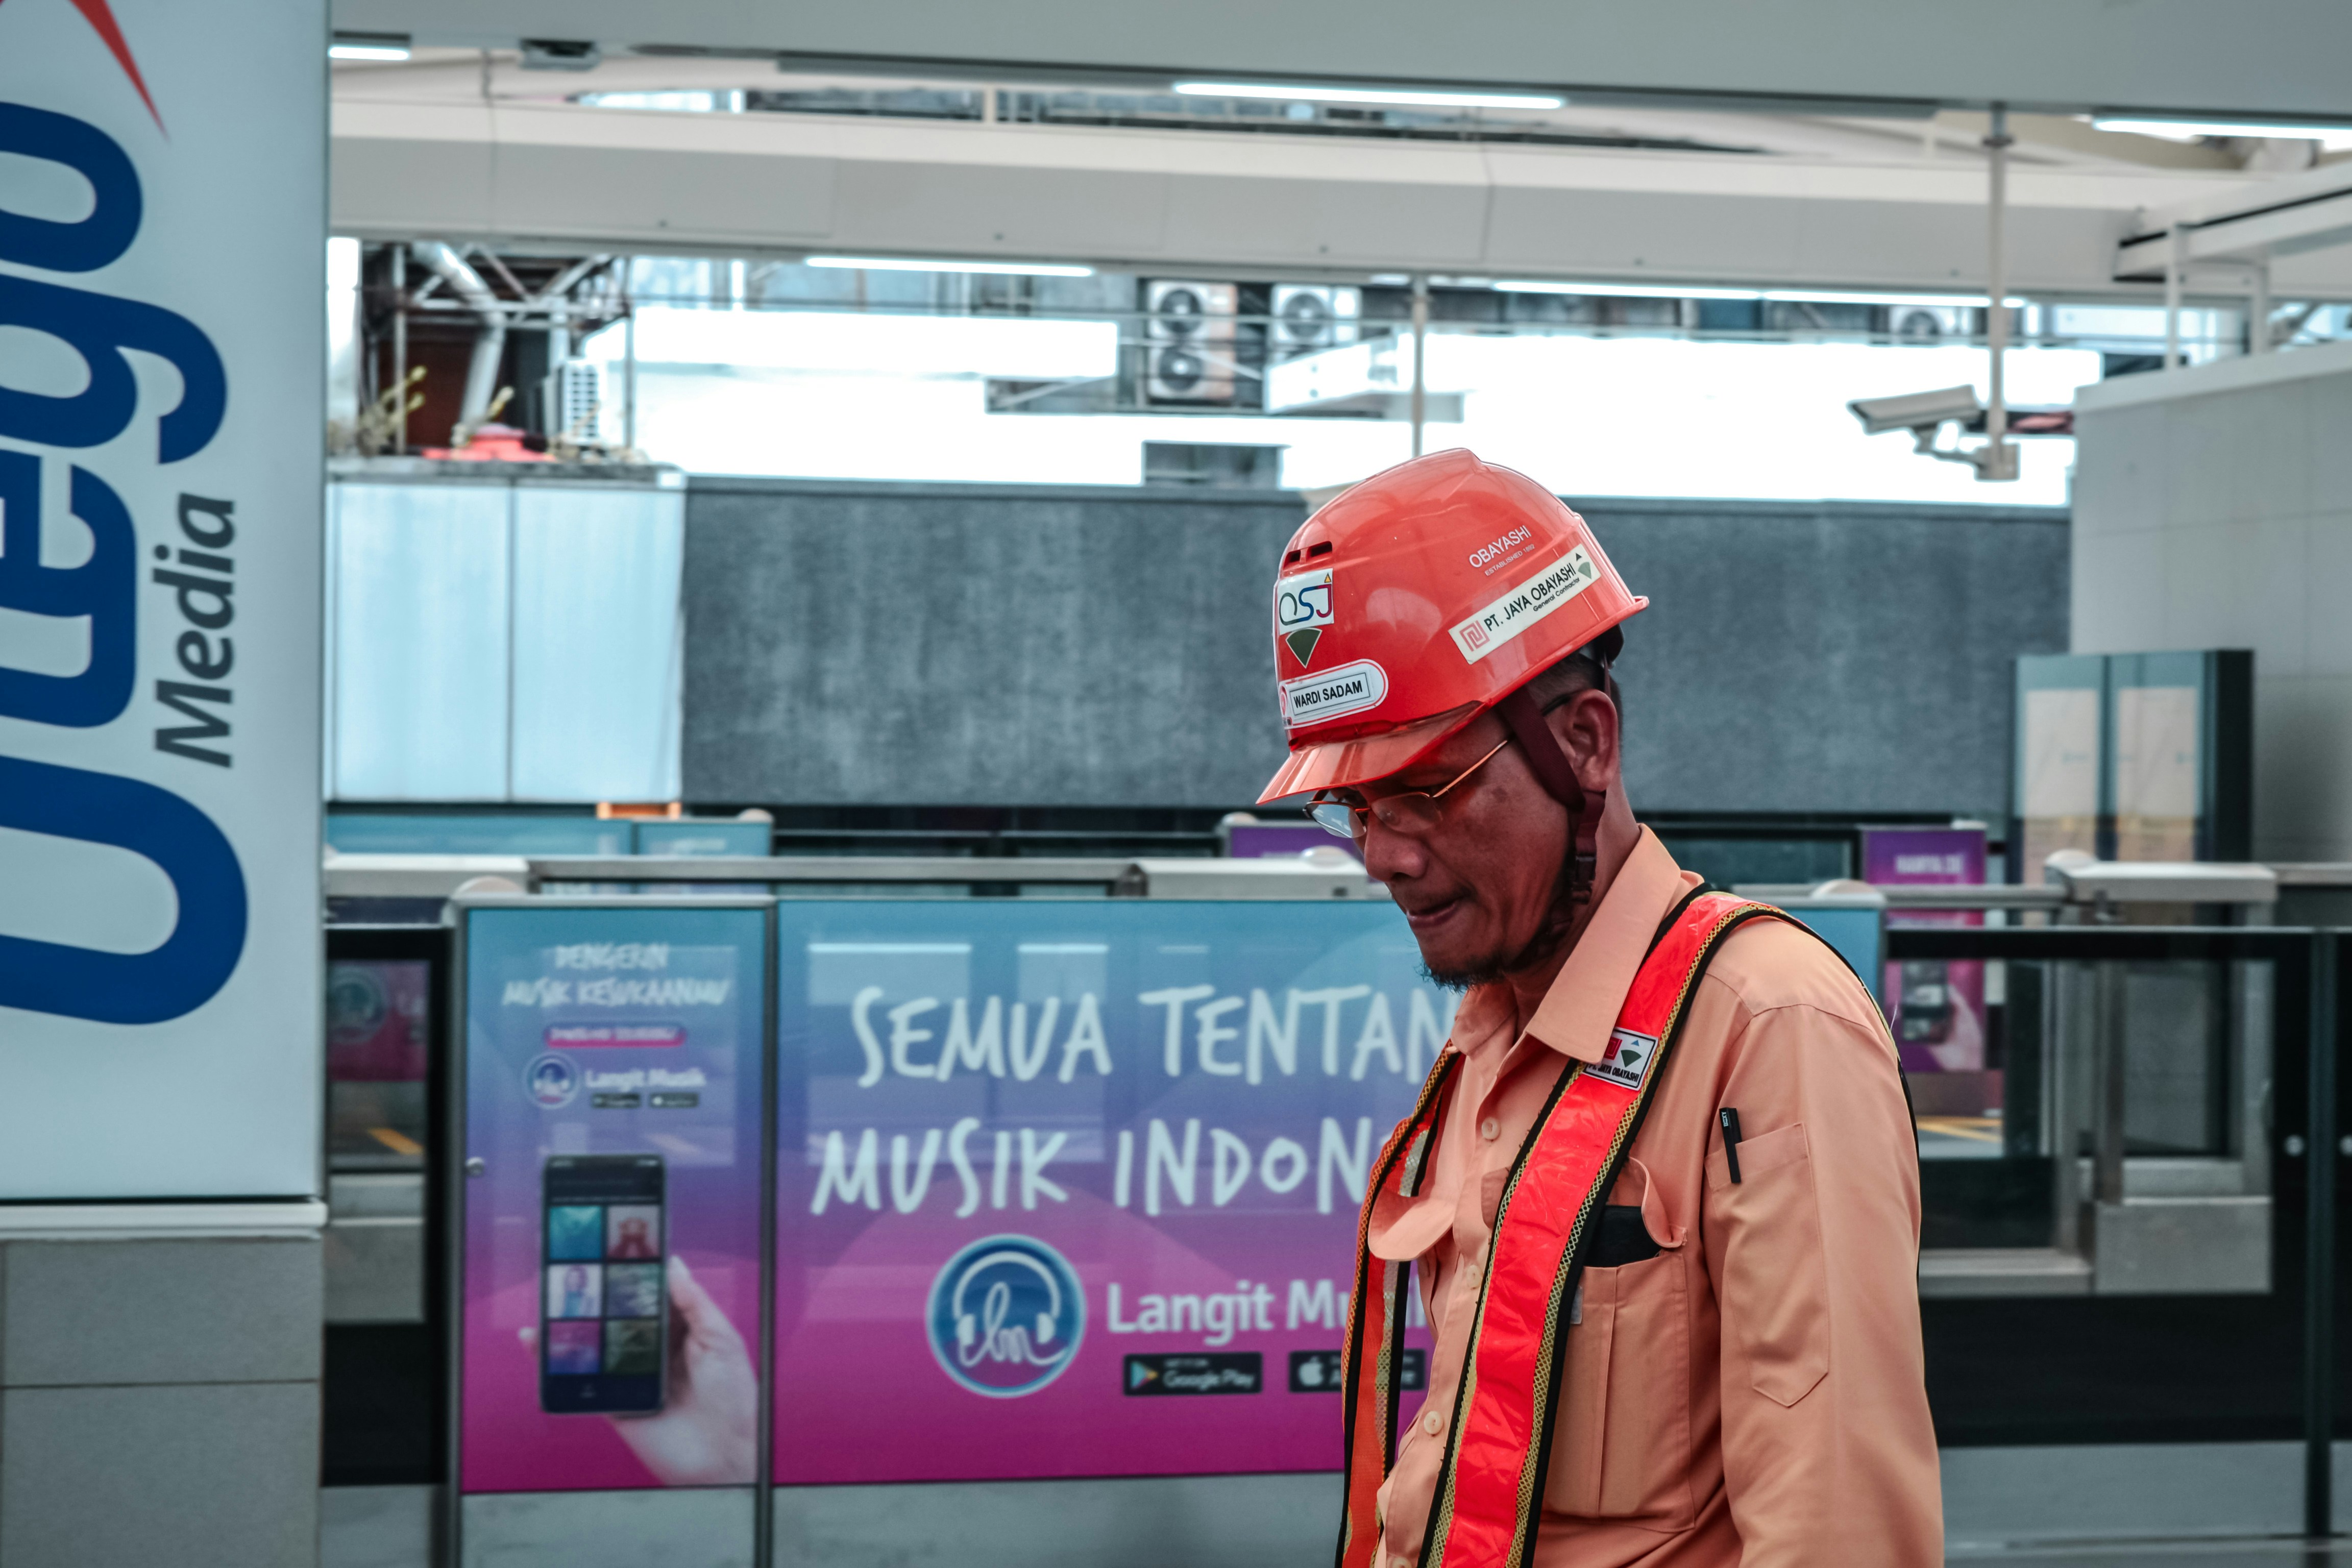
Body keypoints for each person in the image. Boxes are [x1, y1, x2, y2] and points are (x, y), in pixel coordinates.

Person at [1261, 451, 1940, 1566]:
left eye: (1426, 790)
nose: (1384, 855)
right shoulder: (1493, 1029)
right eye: (1352, 807)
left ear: (1583, 743)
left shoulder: (1768, 1029)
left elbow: (1837, 1526)